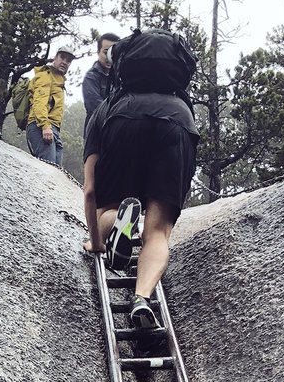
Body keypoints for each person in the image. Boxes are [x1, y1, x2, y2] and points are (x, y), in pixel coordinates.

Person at [82, 30, 199, 332]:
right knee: (158, 232)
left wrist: (95, 243)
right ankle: (141, 298)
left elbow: (91, 189)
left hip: (123, 121)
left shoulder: (106, 107)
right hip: (177, 125)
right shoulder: (183, 106)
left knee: (106, 208)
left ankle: (121, 219)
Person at [25, 47, 75, 167]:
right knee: (48, 169)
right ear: (55, 58)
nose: (64, 62)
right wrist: (45, 126)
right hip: (40, 126)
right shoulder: (45, 76)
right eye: (62, 57)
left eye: (68, 60)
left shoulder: (59, 81)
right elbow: (39, 103)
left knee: (57, 173)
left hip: (53, 129)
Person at [82, 32, 120, 136]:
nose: (109, 57)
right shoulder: (91, 77)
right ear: (98, 52)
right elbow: (95, 108)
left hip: (116, 133)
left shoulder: (121, 77)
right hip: (96, 134)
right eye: (106, 52)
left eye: (113, 53)